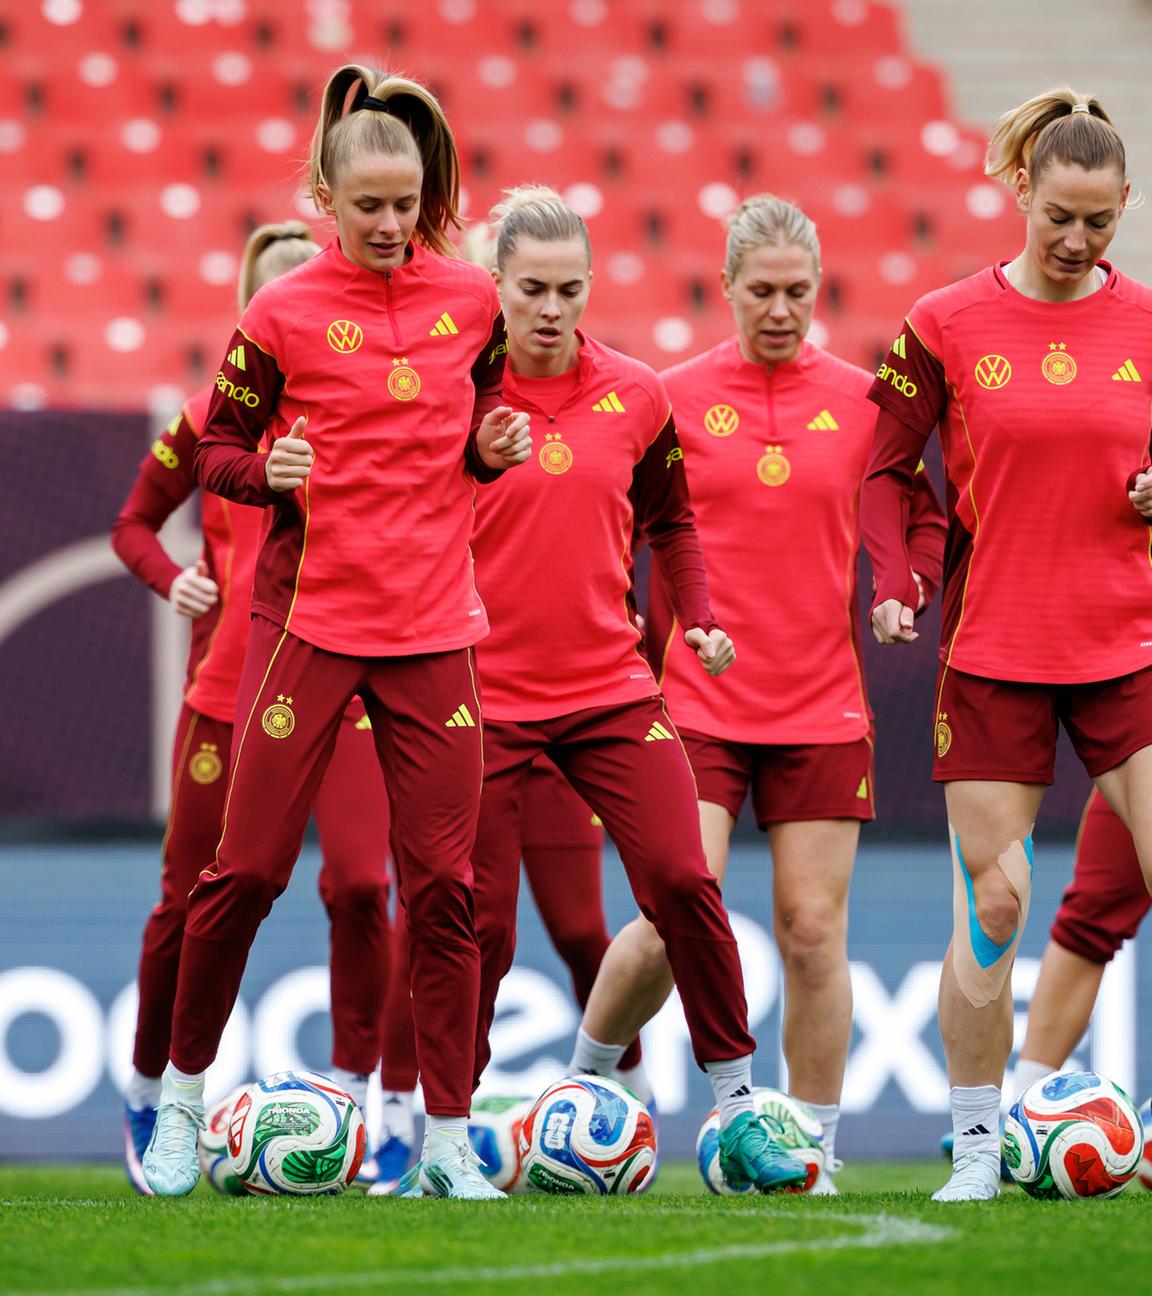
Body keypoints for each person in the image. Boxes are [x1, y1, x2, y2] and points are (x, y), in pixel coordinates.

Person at [140, 64, 531, 1200]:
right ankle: (178, 1106)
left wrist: (485, 451)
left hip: (434, 629)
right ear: (328, 195)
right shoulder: (280, 313)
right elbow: (214, 455)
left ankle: (449, 1142)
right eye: (369, 205)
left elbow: (473, 427)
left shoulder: (471, 303)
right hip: (308, 622)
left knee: (445, 889)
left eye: (406, 204)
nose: (390, 224)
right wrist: (269, 472)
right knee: (247, 869)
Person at [569, 194, 945, 1195]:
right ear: (726, 286)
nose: (780, 309)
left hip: (823, 705)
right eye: (762, 290)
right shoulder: (667, 397)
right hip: (692, 702)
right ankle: (580, 1096)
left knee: (814, 934)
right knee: (670, 913)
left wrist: (907, 587)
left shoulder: (870, 402)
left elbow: (925, 521)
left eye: (797, 291)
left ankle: (809, 1153)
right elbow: (603, 517)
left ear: (817, 289)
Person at [460, 184, 810, 1194]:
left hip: (611, 690)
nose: (553, 308)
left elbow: (674, 522)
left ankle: (738, 1107)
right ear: (497, 287)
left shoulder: (637, 395)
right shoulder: (458, 394)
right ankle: (440, 1128)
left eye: (571, 288)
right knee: (474, 919)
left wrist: (695, 612)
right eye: (532, 288)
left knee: (684, 883)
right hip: (479, 696)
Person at [861, 87, 1152, 1202]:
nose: (1076, 243)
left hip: (1129, 649)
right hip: (995, 655)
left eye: (1099, 222)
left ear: (1123, 204)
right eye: (1058, 218)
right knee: (993, 910)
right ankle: (978, 1152)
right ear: (1020, 191)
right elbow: (888, 470)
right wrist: (898, 581)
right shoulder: (945, 324)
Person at [111, 221, 393, 1195]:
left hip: (345, 677)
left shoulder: (368, 415)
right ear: (253, 313)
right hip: (230, 692)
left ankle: (359, 1102)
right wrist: (169, 578)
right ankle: (154, 1098)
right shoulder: (205, 420)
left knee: (361, 885)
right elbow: (132, 523)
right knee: (189, 899)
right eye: (279, 291)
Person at [371, 756, 650, 1194]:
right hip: (472, 740)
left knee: (581, 932)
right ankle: (400, 1133)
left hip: (561, 743)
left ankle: (635, 1096)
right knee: (428, 928)